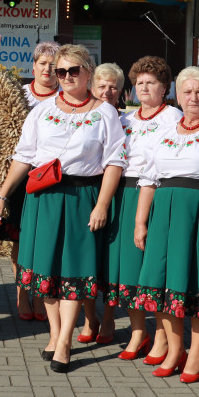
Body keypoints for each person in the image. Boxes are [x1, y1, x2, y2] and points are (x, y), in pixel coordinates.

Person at [0, 44, 126, 373]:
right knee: (46, 272)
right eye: (60, 71)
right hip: (43, 197)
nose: (64, 77)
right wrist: (3, 195)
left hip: (82, 196)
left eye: (72, 71)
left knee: (74, 273)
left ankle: (65, 339)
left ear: (87, 73)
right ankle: (54, 333)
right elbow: (24, 155)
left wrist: (102, 204)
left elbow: (114, 162)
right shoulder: (42, 111)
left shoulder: (104, 112)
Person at [133, 66, 199, 382]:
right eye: (187, 91)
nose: (193, 97)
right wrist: (140, 221)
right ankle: (175, 349)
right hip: (164, 213)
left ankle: (197, 352)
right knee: (162, 283)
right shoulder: (164, 132)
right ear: (178, 94)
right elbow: (148, 180)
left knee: (197, 282)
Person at [102, 57, 181, 361]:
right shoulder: (126, 120)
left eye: (152, 82)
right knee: (127, 268)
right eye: (139, 83)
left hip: (156, 194)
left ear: (165, 87)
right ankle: (138, 331)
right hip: (125, 193)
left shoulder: (173, 117)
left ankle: (162, 337)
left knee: (154, 269)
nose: (144, 88)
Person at [0, 40, 60, 321]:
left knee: (45, 240)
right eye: (42, 63)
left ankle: (42, 295)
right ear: (33, 66)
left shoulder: (67, 96)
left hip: (54, 179)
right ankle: (23, 293)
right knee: (20, 239)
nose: (47, 69)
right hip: (22, 175)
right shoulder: (18, 96)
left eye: (53, 64)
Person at [81, 61, 127, 344]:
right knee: (86, 257)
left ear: (121, 92)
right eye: (102, 86)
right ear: (92, 87)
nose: (108, 92)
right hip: (89, 191)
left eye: (114, 87)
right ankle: (89, 317)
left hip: (120, 194)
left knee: (109, 260)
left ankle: (108, 318)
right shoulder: (85, 116)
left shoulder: (129, 121)